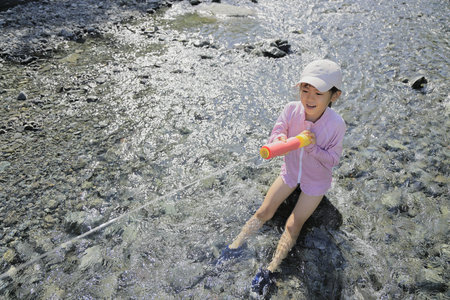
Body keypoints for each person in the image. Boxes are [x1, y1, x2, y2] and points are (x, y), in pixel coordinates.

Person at [217, 59, 347, 295]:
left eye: (318, 93)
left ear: (334, 96)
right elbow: (278, 131)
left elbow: (333, 161)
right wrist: (277, 142)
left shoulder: (336, 125)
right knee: (263, 211)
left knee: (292, 223)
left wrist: (313, 148)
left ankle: (270, 269)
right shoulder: (291, 109)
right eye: (304, 90)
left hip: (315, 182)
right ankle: (235, 245)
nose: (309, 98)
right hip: (289, 173)